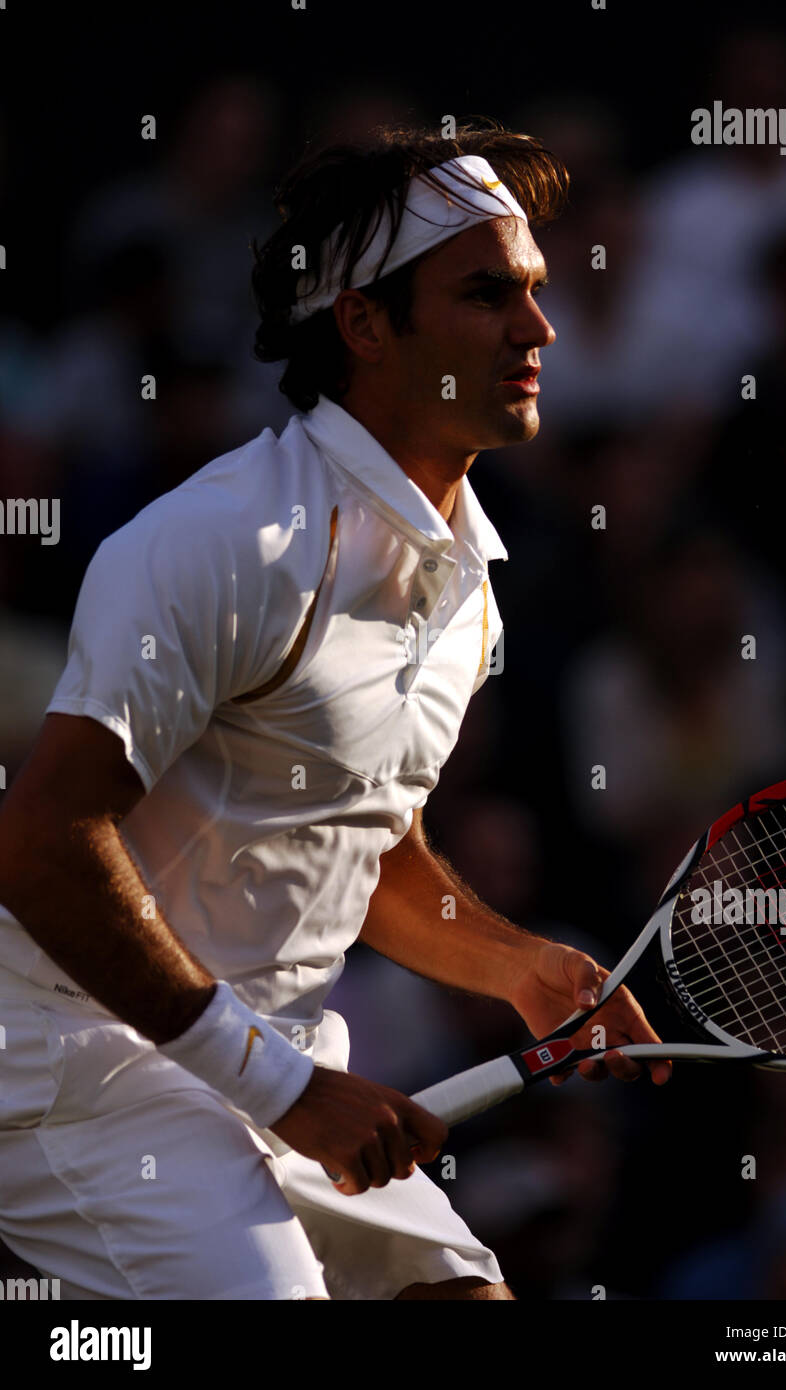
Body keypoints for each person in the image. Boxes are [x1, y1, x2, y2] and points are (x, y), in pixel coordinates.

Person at [0, 120, 670, 1302]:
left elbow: (372, 852)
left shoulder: (465, 585)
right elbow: (44, 841)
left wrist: (518, 965)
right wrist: (284, 1089)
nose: (537, 329)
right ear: (364, 323)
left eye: (533, 291)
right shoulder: (219, 542)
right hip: (85, 1077)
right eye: (485, 295)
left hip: (276, 1071)